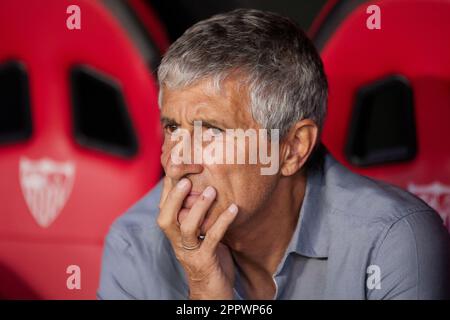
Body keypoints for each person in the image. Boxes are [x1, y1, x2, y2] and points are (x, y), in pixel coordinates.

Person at [98, 9, 450, 299]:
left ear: (292, 148)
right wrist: (206, 289)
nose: (176, 161)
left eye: (211, 132)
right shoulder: (134, 243)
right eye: (172, 128)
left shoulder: (391, 241)